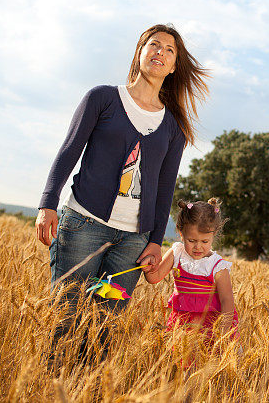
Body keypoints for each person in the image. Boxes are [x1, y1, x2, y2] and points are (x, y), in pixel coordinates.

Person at [35, 23, 209, 365]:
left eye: (169, 50)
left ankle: (86, 389)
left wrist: (156, 240)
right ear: (140, 52)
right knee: (66, 317)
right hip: (83, 227)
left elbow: (165, 188)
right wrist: (47, 203)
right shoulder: (102, 98)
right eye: (153, 45)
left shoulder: (173, 125)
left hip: (131, 244)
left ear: (174, 66)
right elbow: (69, 151)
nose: (160, 52)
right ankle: (49, 386)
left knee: (103, 326)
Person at [144, 198, 238, 345]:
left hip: (210, 326)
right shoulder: (177, 253)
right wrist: (147, 267)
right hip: (181, 323)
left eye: (204, 241)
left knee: (205, 362)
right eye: (192, 241)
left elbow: (227, 300)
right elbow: (154, 277)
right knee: (181, 361)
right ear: (181, 234)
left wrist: (224, 333)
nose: (198, 247)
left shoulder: (218, 266)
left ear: (214, 235)